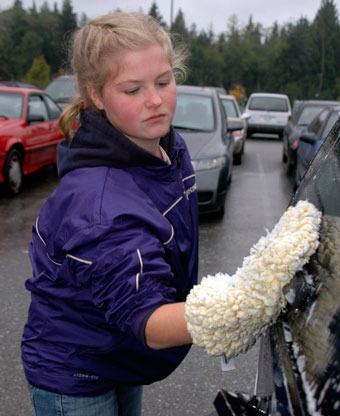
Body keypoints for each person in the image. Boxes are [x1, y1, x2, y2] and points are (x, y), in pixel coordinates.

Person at [21, 12, 198, 416]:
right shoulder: (97, 203)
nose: (155, 100)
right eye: (132, 89)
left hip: (119, 353)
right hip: (75, 372)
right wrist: (247, 304)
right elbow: (150, 321)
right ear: (96, 96)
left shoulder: (168, 146)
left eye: (164, 82)